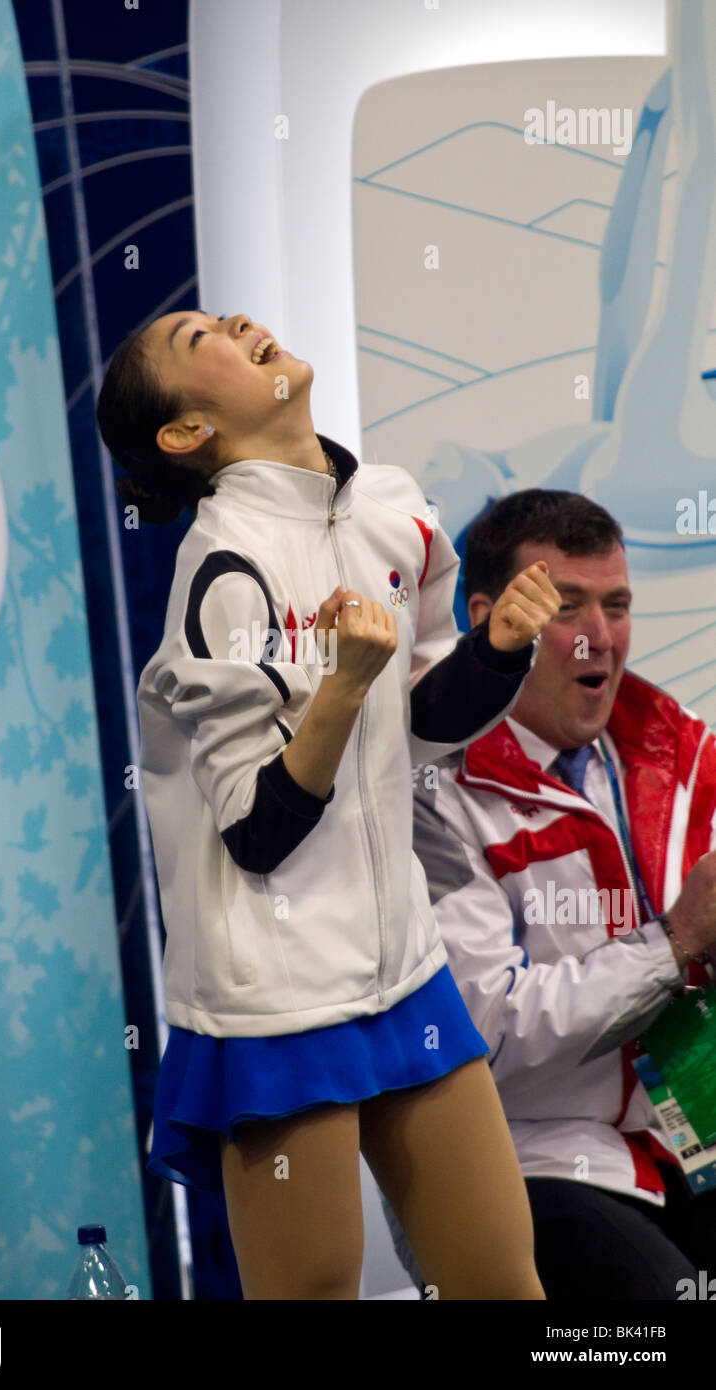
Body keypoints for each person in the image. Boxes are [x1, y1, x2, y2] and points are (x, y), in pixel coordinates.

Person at [96, 311, 560, 1300]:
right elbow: (257, 831)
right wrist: (345, 683)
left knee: (502, 1285)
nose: (236, 322)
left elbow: (423, 724)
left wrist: (496, 653)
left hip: (404, 969)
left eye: (225, 314)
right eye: (199, 338)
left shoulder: (392, 506)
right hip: (274, 1002)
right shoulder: (220, 573)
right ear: (186, 434)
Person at [386, 488, 716, 1300]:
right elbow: (485, 1038)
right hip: (522, 1166)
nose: (599, 636)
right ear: (490, 618)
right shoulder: (431, 790)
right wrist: (673, 944)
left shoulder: (679, 754)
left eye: (618, 604)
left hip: (685, 1147)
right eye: (566, 606)